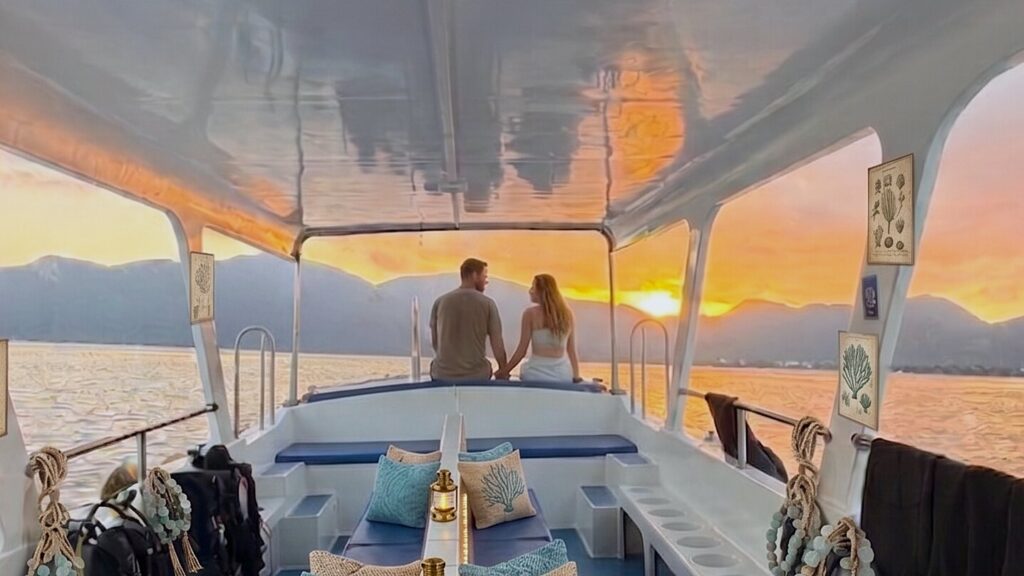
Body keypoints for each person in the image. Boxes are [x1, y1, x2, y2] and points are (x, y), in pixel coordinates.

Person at [430, 258, 508, 380]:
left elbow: (435, 342)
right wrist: (504, 371)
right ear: (474, 275)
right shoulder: (488, 304)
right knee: (486, 365)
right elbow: (497, 344)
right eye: (484, 277)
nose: (486, 282)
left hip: (442, 374)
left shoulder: (440, 302)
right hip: (476, 375)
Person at [497, 274, 582, 383]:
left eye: (533, 287)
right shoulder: (567, 314)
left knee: (526, 372)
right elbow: (571, 351)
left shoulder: (530, 314)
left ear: (542, 291)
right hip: (562, 374)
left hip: (536, 373)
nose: (530, 291)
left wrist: (504, 371)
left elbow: (522, 351)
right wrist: (576, 377)